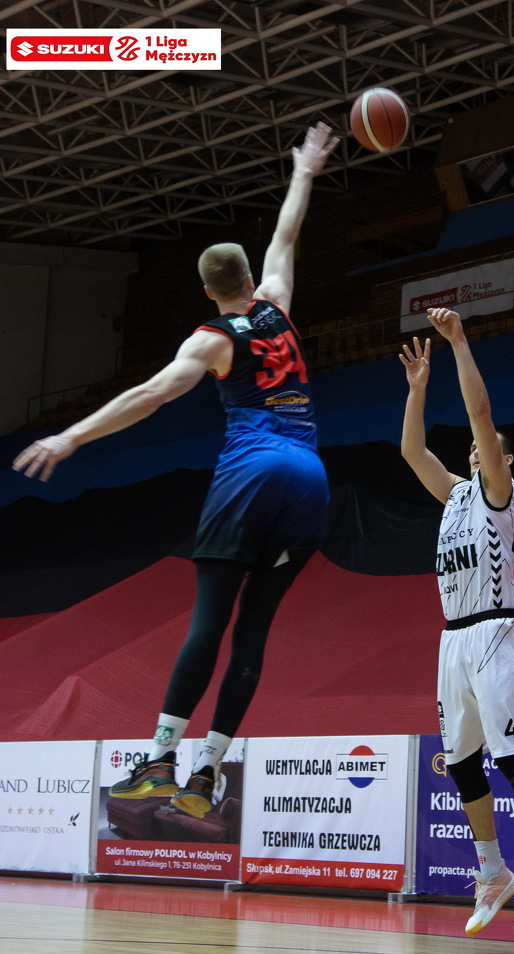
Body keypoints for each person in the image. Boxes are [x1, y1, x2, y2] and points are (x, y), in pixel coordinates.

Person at [13, 121, 339, 821]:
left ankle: (160, 759)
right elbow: (286, 238)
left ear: (206, 290)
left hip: (253, 469)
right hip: (310, 478)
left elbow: (151, 395)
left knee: (209, 621)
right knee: (252, 632)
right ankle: (206, 774)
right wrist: (304, 171)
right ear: (249, 280)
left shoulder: (211, 338)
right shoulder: (277, 306)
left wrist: (71, 436)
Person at [400, 308, 514, 937]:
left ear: (503, 459)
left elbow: (480, 412)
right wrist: (418, 389)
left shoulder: (499, 492)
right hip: (453, 638)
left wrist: (458, 343)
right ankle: (493, 870)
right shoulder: (454, 495)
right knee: (462, 764)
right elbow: (412, 451)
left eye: (487, 445)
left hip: (496, 631)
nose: (476, 446)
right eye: (474, 447)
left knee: (512, 757)